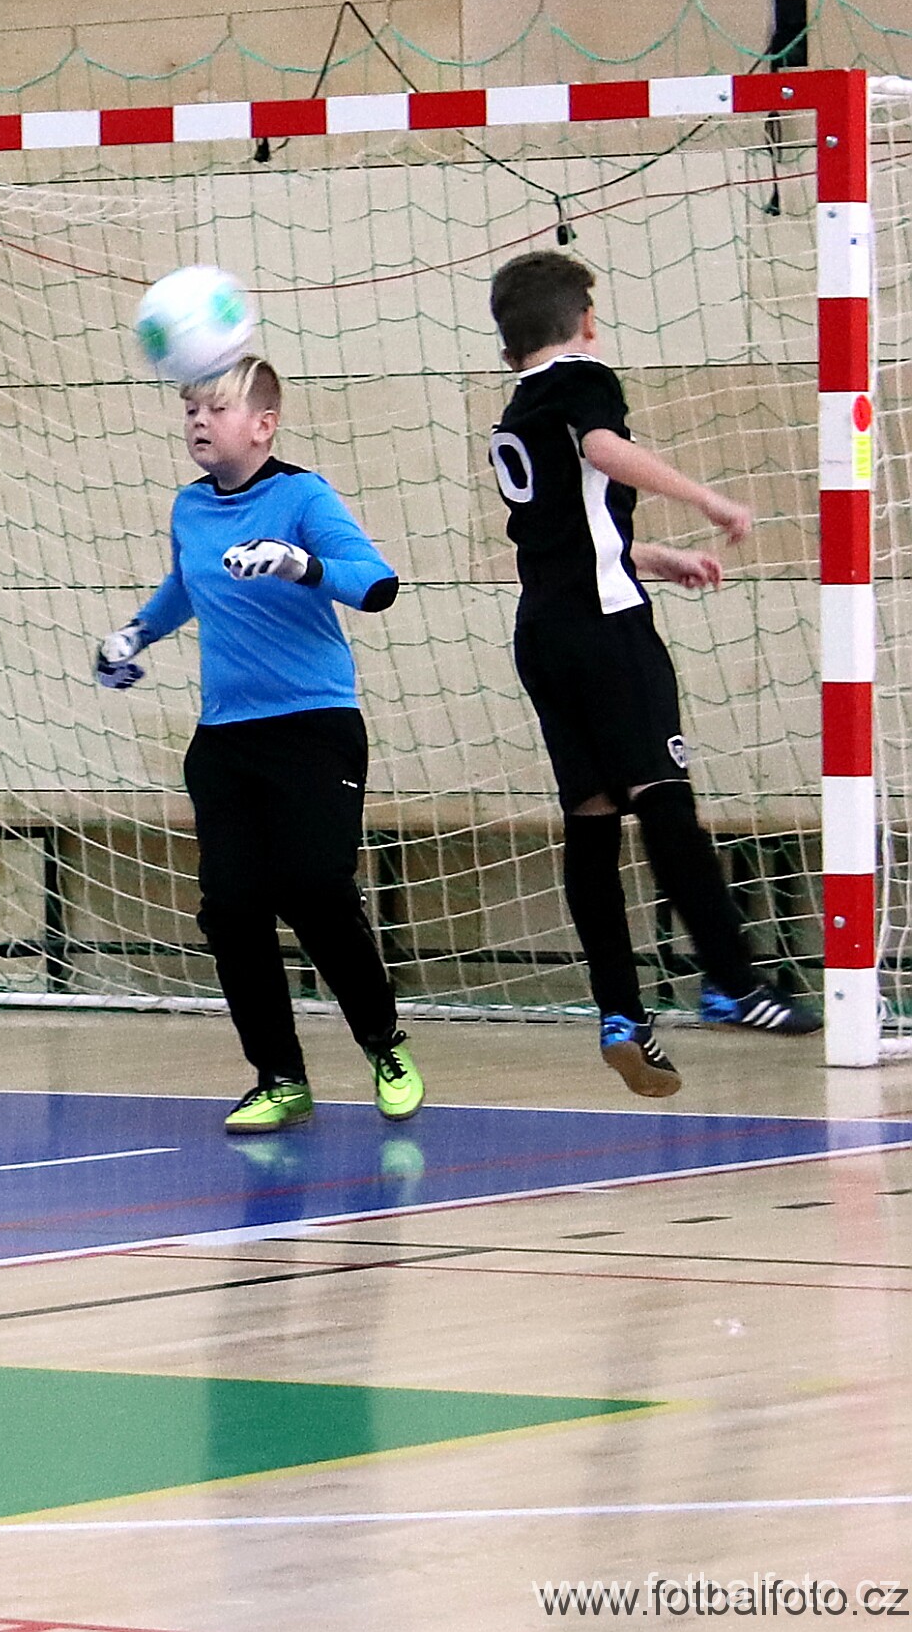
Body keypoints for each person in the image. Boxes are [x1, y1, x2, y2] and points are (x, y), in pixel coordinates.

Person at [483, 252, 819, 1097]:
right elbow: (605, 447)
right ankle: (732, 979)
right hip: (608, 634)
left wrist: (655, 556)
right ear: (584, 322)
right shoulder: (584, 377)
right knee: (665, 801)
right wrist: (706, 499)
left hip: (544, 634)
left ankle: (620, 1013)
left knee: (594, 818)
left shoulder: (516, 411)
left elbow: (570, 533)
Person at [97, 355, 418, 1134]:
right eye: (190, 410)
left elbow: (376, 582)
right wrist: (135, 633)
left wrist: (298, 563)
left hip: (313, 727)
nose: (198, 421)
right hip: (225, 738)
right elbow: (187, 584)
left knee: (314, 889)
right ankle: (279, 1076)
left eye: (216, 408)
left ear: (264, 425)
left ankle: (384, 1043)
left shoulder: (302, 495)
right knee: (232, 906)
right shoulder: (189, 507)